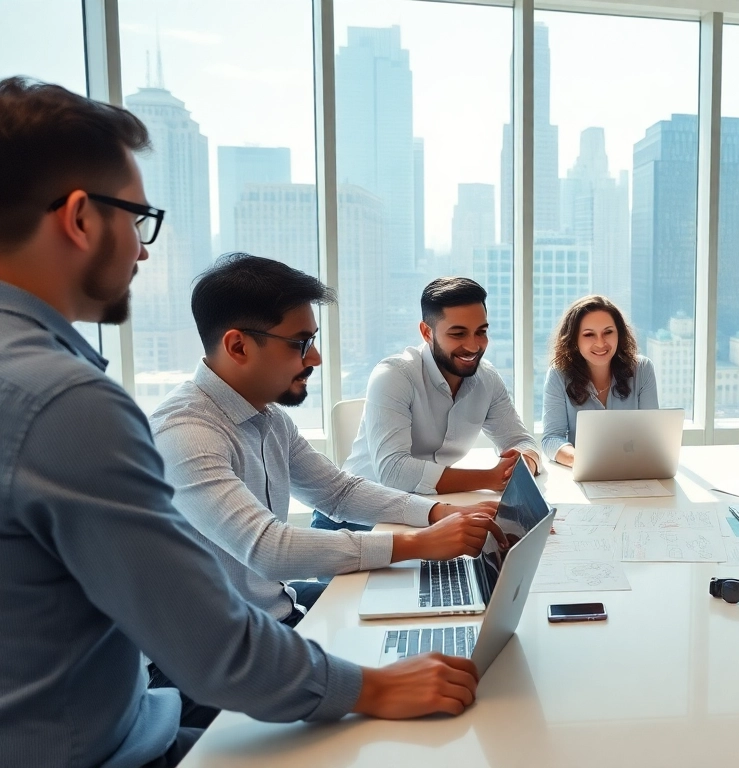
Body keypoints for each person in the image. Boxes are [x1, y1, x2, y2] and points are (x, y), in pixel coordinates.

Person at [0, 76, 481, 768]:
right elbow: (214, 634)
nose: (142, 249)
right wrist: (375, 686)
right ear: (79, 218)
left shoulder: (253, 414)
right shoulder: (68, 403)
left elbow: (335, 491)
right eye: (137, 219)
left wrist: (434, 516)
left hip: (137, 716)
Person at [151, 253, 505, 632]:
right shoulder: (186, 433)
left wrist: (440, 513)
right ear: (238, 347)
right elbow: (270, 550)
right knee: (417, 644)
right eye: (300, 343)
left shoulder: (269, 418)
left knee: (442, 612)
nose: (316, 358)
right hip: (219, 642)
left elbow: (338, 492)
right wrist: (419, 544)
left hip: (276, 605)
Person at [322, 277, 542, 531]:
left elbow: (522, 441)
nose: (473, 346)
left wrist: (522, 464)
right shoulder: (394, 375)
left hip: (426, 516)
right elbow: (395, 472)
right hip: (355, 522)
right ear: (427, 332)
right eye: (458, 334)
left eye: (481, 332)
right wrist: (490, 478)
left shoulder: (488, 379)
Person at [541, 294, 659, 466]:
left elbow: (652, 434)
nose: (600, 343)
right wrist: (583, 460)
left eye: (608, 332)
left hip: (633, 469)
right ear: (574, 340)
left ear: (619, 334)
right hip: (583, 469)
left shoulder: (642, 369)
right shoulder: (558, 375)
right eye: (589, 334)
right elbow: (551, 439)